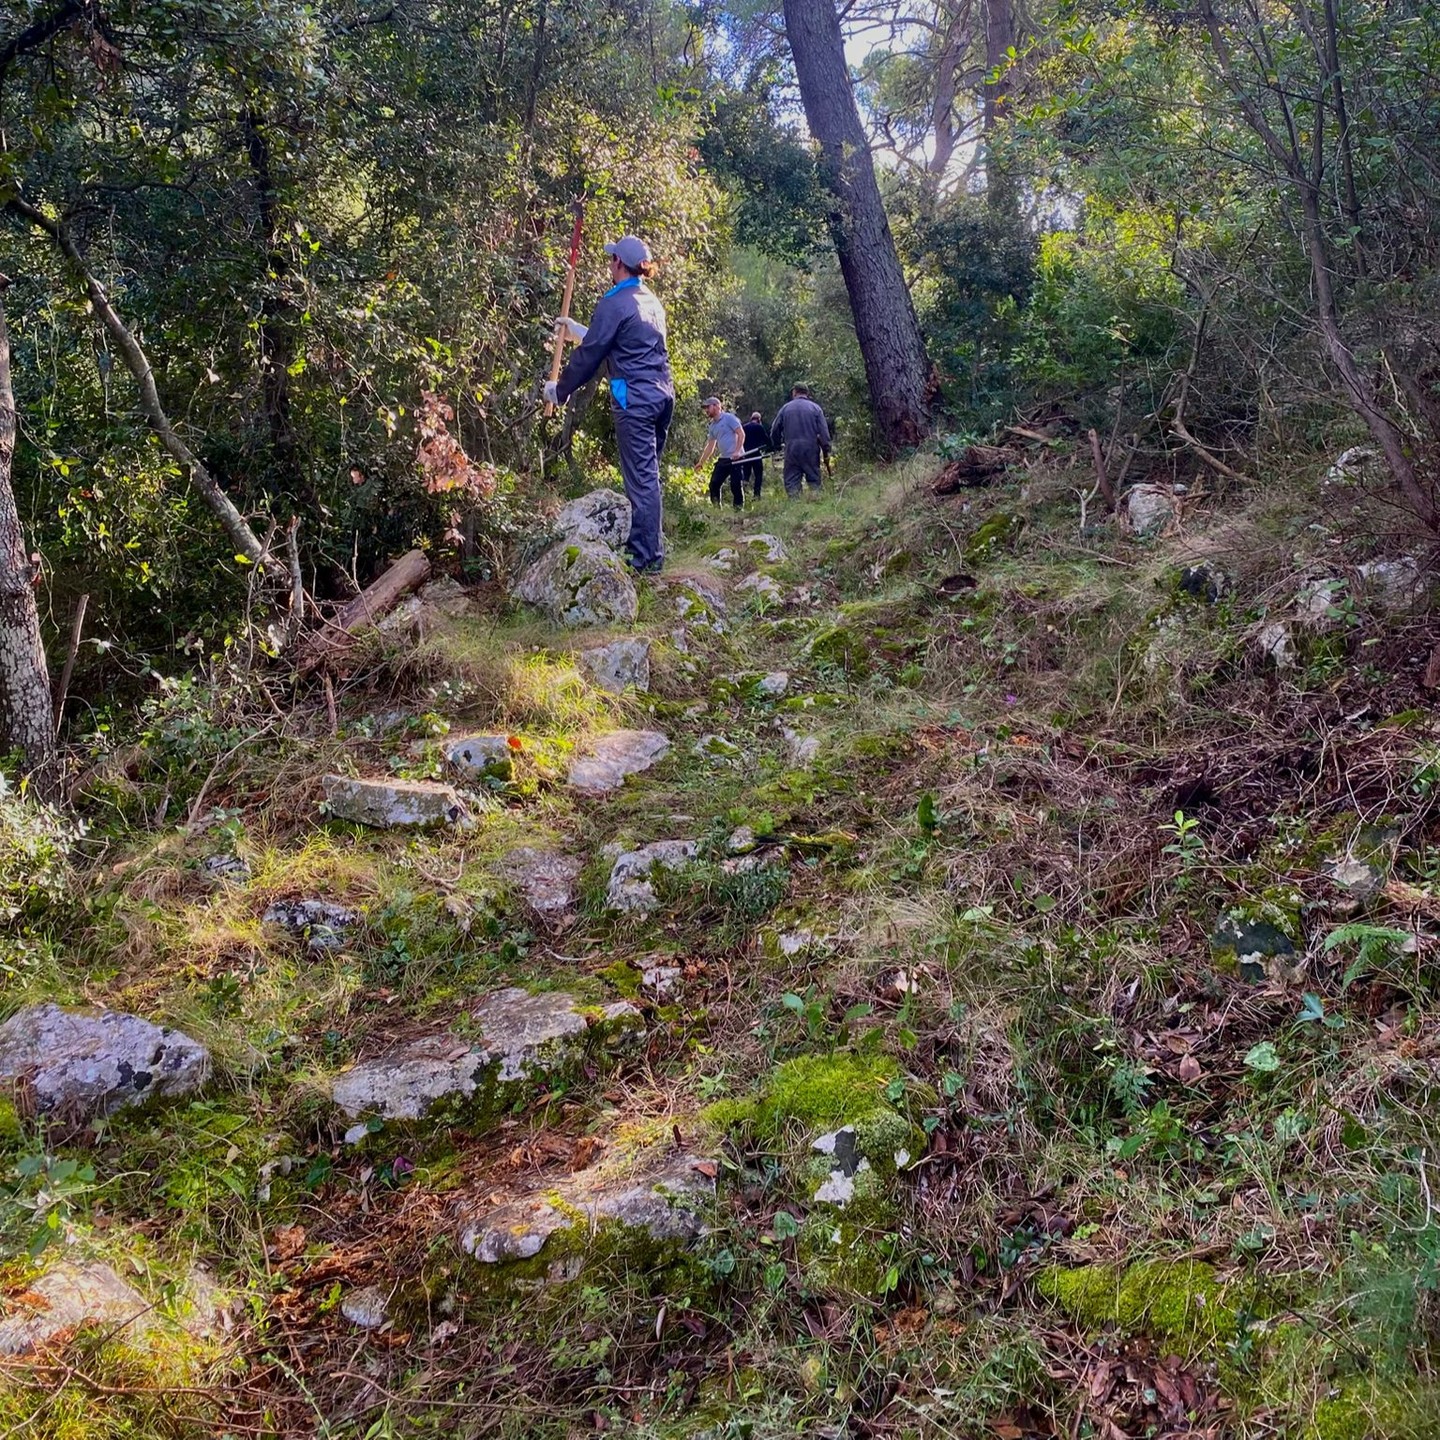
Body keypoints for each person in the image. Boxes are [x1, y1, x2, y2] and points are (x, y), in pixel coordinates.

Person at [545, 234, 673, 573]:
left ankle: (646, 561)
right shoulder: (650, 301)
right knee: (649, 478)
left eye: (611, 258)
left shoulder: (614, 301)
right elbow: (623, 344)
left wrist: (559, 391)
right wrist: (577, 330)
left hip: (636, 401)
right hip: (661, 397)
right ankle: (651, 549)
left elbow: (592, 355)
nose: (609, 263)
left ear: (618, 263)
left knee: (642, 481)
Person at [770, 384, 833, 497]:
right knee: (814, 479)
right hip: (811, 449)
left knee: (792, 481)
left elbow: (775, 430)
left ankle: (795, 507)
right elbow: (824, 431)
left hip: (792, 449)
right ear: (807, 393)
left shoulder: (785, 408)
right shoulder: (815, 408)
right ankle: (816, 503)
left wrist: (777, 445)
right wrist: (826, 448)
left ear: (794, 392)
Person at [696, 395, 747, 510]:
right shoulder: (712, 426)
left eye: (708, 407)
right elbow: (710, 446)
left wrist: (737, 451)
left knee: (735, 485)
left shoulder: (729, 418)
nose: (706, 411)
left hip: (737, 458)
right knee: (714, 483)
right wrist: (701, 462)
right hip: (724, 459)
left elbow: (741, 434)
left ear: (716, 406)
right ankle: (716, 510)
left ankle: (738, 511)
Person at [739, 411, 769, 499]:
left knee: (746, 475)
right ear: (759, 419)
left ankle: (744, 493)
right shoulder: (759, 427)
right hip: (756, 455)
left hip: (746, 454)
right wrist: (772, 447)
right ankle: (756, 495)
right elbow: (766, 439)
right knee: (758, 475)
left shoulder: (744, 427)